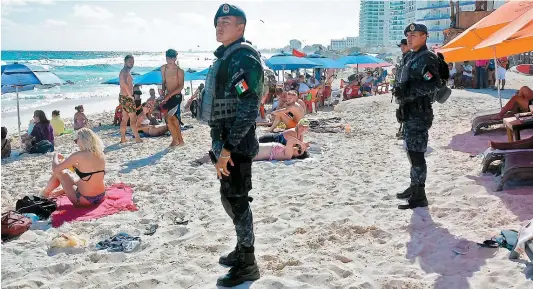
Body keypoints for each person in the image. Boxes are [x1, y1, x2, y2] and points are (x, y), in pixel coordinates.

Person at [198, 4, 263, 286]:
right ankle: (241, 248)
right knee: (229, 197)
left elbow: (249, 108)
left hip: (235, 143)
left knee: (237, 201)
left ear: (241, 28)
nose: (219, 27)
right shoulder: (226, 57)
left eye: (226, 22)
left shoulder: (243, 58)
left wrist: (227, 149)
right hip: (223, 140)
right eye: (217, 23)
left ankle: (248, 263)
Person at [393, 23, 442, 210]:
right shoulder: (411, 57)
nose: (409, 38)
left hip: (419, 113)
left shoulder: (426, 58)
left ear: (424, 37)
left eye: (414, 34)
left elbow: (434, 84)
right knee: (411, 152)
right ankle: (414, 186)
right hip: (409, 112)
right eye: (408, 35)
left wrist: (408, 92)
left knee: (417, 154)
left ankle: (420, 195)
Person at [42, 128, 106, 207]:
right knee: (78, 179)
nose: (76, 143)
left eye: (76, 140)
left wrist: (55, 156)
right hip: (101, 196)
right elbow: (87, 171)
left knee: (61, 174)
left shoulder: (78, 155)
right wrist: (68, 163)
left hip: (84, 199)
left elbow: (56, 169)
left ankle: (45, 193)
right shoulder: (101, 154)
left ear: (82, 140)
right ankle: (57, 192)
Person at [161, 48, 185, 147]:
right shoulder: (163, 68)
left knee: (169, 117)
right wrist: (162, 91)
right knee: (173, 119)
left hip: (176, 96)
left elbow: (181, 86)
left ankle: (176, 140)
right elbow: (163, 82)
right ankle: (179, 140)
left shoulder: (179, 71)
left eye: (171, 57)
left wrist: (169, 95)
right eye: (167, 57)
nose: (169, 59)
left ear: (175, 58)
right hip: (167, 96)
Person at [119, 55, 142, 143]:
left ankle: (123, 138)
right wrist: (131, 95)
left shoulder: (126, 71)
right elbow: (124, 84)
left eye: (132, 62)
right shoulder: (124, 71)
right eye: (129, 62)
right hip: (127, 97)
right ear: (125, 62)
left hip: (123, 97)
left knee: (125, 118)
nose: (131, 63)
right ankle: (137, 138)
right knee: (133, 118)